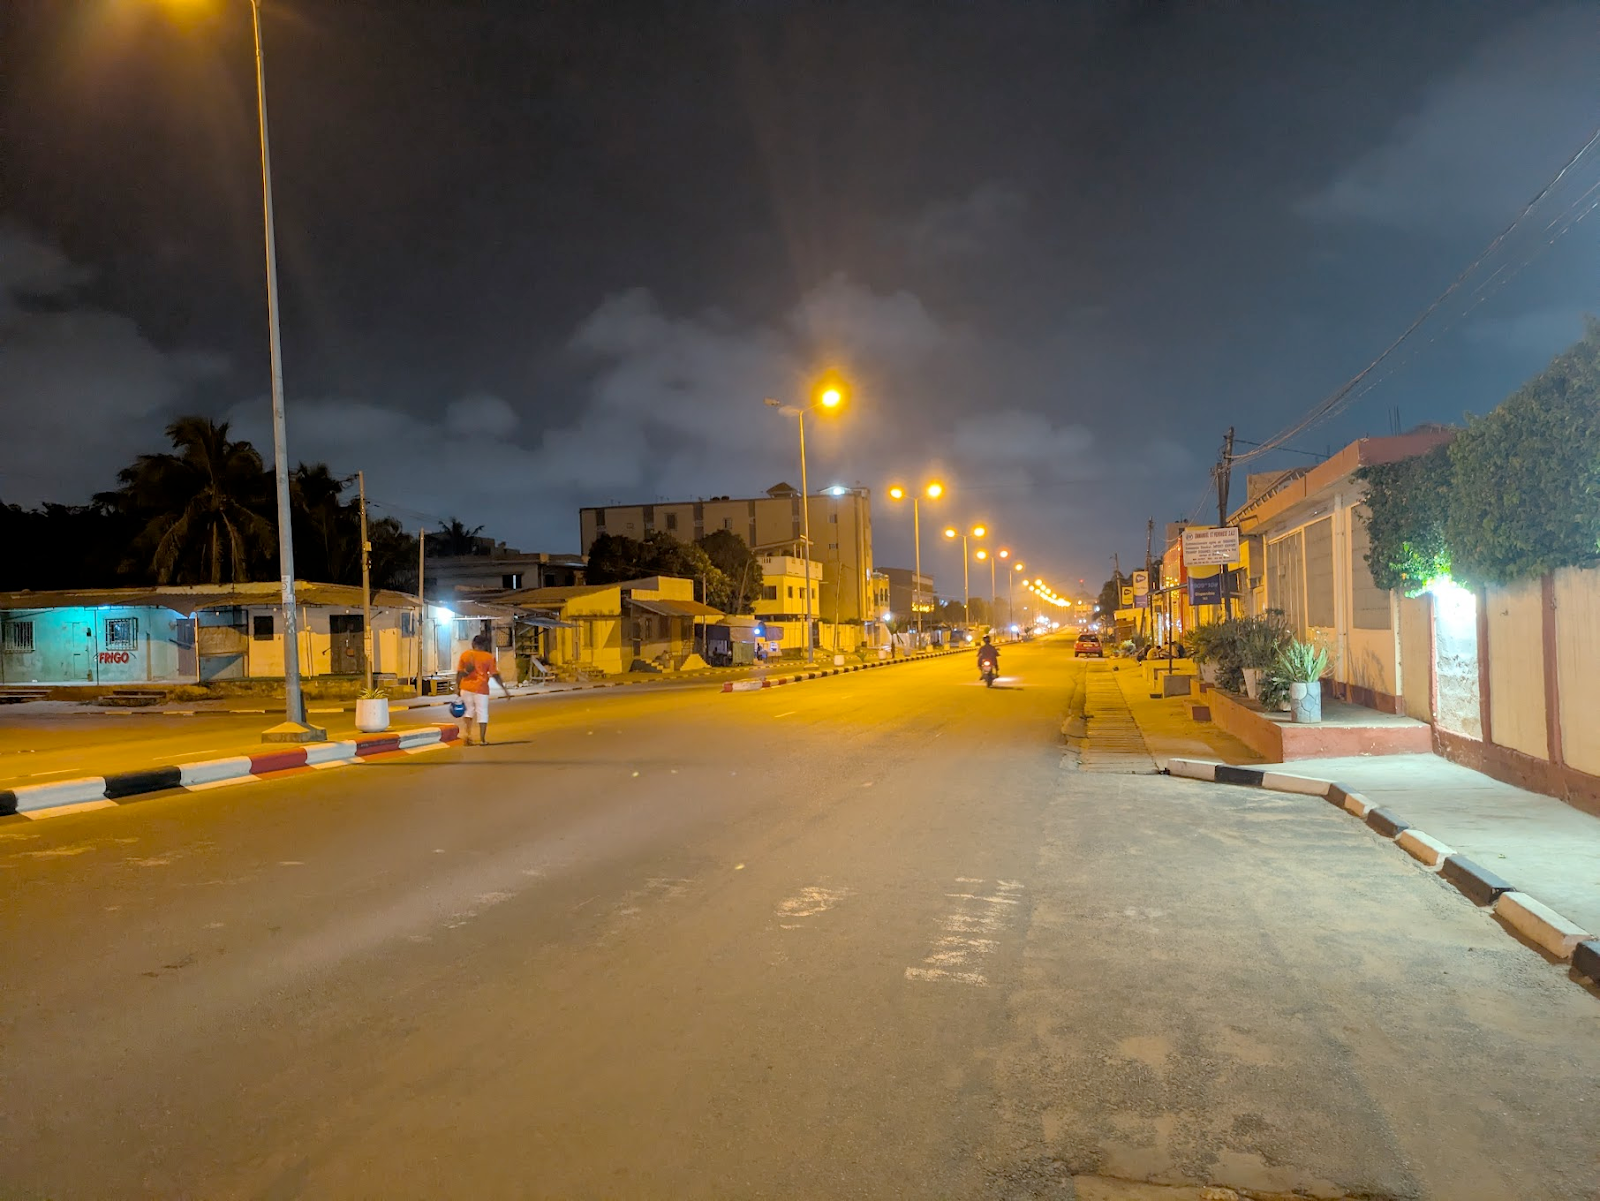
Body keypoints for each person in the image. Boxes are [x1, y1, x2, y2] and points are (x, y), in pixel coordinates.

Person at [455, 633, 505, 745]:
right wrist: (504, 689)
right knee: (482, 713)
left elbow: (459, 673)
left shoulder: (465, 655)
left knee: (468, 711)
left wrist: (458, 687)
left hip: (465, 687)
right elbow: (495, 674)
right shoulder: (488, 657)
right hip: (481, 688)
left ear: (473, 643)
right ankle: (482, 740)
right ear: (484, 645)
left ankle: (468, 735)